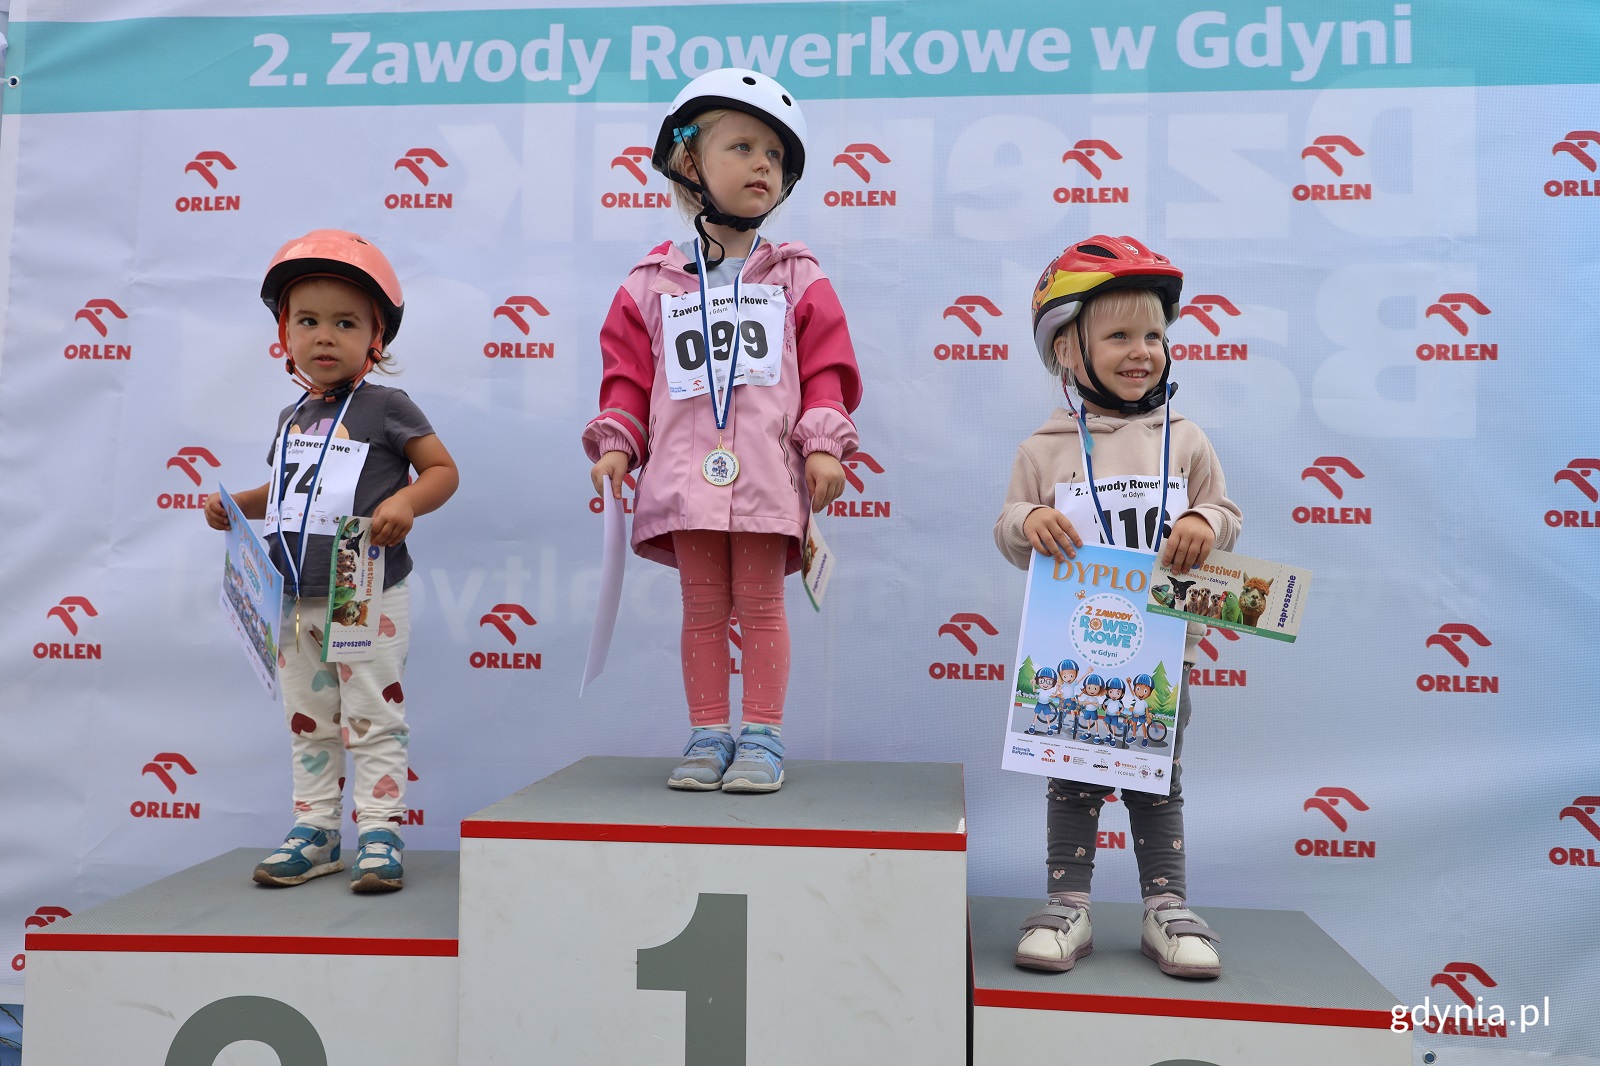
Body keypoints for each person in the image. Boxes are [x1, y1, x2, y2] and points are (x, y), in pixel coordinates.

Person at [584, 69, 862, 793]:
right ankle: (709, 731)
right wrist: (616, 440)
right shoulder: (649, 284)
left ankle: (762, 734)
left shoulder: (798, 275)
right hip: (686, 476)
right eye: (742, 147)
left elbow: (829, 367)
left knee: (763, 605)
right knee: (703, 608)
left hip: (767, 473)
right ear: (689, 164)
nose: (762, 164)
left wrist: (825, 444)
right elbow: (626, 376)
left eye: (774, 154)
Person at [994, 235, 1242, 978]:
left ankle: (1167, 908)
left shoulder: (1187, 440)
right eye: (1119, 336)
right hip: (1075, 650)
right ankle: (1067, 905)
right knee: (1073, 778)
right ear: (1069, 351)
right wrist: (1026, 523)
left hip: (1163, 649)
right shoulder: (1043, 447)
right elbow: (1009, 525)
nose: (1142, 351)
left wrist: (1204, 523)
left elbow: (1223, 511)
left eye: (1155, 336)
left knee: (1155, 781)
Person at [204, 229, 459, 892]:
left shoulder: (386, 407)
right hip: (292, 599)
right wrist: (240, 505)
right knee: (309, 723)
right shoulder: (292, 416)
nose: (324, 336)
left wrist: (407, 501)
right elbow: (290, 493)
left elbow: (442, 470)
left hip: (362, 592)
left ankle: (379, 832)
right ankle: (316, 832)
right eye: (308, 321)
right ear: (284, 333)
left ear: (376, 338)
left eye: (345, 323)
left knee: (371, 714)